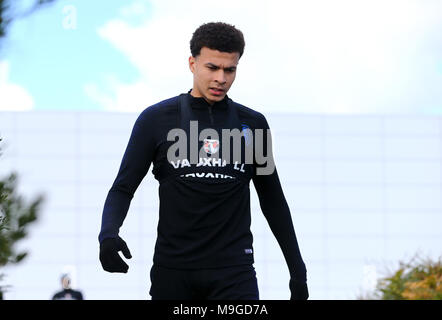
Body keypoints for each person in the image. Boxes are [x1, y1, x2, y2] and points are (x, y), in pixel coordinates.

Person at [98, 22, 308, 300]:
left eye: (229, 70)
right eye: (212, 68)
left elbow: (273, 200)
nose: (221, 78)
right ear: (192, 63)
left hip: (235, 274)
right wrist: (108, 233)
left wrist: (297, 271)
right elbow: (123, 187)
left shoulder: (253, 125)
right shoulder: (156, 120)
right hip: (173, 273)